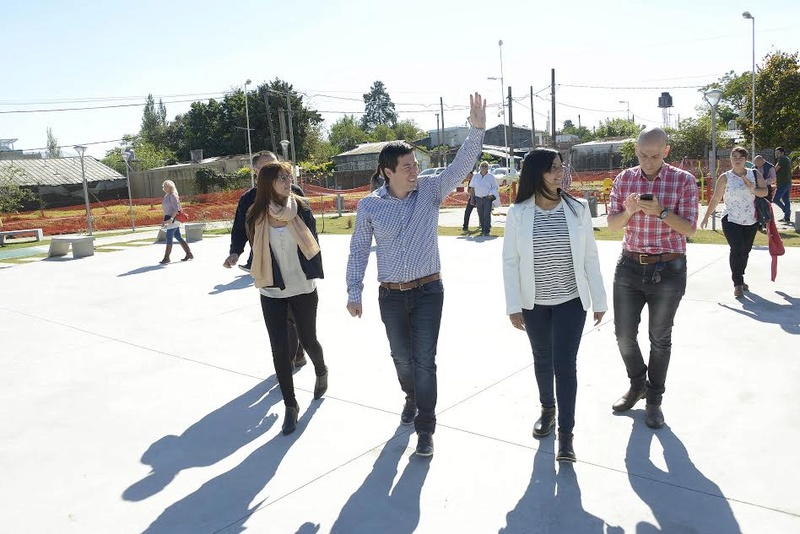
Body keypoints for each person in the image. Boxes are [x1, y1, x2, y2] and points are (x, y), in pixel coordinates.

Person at [346, 92, 487, 457]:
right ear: (388, 171)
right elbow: (359, 249)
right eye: (407, 166)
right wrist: (353, 291)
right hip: (390, 295)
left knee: (425, 358)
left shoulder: (430, 190)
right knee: (401, 358)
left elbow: (460, 165)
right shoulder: (370, 206)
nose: (414, 170)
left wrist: (477, 130)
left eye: (415, 164)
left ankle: (426, 425)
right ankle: (410, 395)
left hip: (428, 292)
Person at [502, 148, 607, 463]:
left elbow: (590, 256)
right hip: (533, 304)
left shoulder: (577, 210)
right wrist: (513, 305)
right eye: (553, 169)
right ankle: (547, 409)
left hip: (570, 303)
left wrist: (599, 299)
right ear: (537, 174)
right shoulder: (518, 213)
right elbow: (510, 261)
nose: (560, 173)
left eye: (561, 167)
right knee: (541, 359)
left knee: (565, 365)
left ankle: (566, 436)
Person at [607, 127, 698, 429]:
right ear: (636, 150)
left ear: (666, 152)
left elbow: (689, 229)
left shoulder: (684, 180)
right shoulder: (624, 179)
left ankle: (654, 400)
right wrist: (629, 212)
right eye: (643, 155)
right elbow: (611, 225)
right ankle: (637, 384)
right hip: (630, 266)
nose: (648, 161)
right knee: (623, 335)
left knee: (659, 338)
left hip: (668, 268)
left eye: (655, 155)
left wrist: (660, 212)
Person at [246, 161, 328, 435]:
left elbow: (313, 243)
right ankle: (290, 406)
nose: (286, 180)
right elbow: (256, 250)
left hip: (303, 287)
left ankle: (321, 368)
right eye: (280, 177)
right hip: (271, 290)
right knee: (279, 349)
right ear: (267, 182)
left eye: (288, 176)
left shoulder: (301, 208)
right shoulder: (255, 214)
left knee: (308, 340)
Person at [225, 152, 308, 368]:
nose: (275, 172)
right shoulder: (248, 199)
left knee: (294, 312)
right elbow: (239, 229)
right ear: (256, 173)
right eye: (266, 168)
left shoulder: (294, 194)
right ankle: (288, 357)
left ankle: (297, 352)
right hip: (266, 264)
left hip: (294, 263)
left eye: (276, 166)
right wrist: (235, 252)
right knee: (279, 315)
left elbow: (308, 228)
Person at [701, 147, 768, 297]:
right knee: (737, 249)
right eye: (734, 156)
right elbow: (716, 198)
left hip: (751, 220)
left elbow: (765, 192)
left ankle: (740, 276)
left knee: (745, 251)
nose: (737, 160)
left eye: (740, 157)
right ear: (730, 159)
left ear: (746, 160)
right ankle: (737, 283)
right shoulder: (725, 177)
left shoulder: (754, 174)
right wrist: (706, 216)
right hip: (731, 219)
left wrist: (753, 189)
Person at [159, 180, 194, 264]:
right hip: (169, 217)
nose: (164, 188)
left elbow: (176, 209)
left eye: (166, 186)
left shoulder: (173, 195)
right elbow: (166, 210)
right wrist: (164, 220)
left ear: (171, 187)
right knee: (177, 236)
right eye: (163, 186)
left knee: (169, 236)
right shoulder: (167, 196)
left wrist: (171, 218)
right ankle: (188, 253)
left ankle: (167, 257)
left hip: (174, 218)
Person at [470, 161, 500, 235]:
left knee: (487, 213)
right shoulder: (476, 176)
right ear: (480, 167)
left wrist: (491, 194)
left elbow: (495, 187)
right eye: (482, 166)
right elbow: (472, 187)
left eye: (485, 166)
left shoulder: (491, 177)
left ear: (488, 168)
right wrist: (472, 198)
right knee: (480, 213)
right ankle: (483, 227)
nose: (484, 167)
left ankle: (487, 229)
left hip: (487, 198)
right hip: (478, 198)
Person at [773, 147, 793, 224]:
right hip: (787, 182)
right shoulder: (786, 159)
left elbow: (775, 169)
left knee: (775, 199)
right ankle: (787, 217)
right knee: (786, 200)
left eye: (777, 153)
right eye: (775, 153)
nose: (776, 154)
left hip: (782, 183)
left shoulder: (782, 159)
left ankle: (786, 211)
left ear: (782, 153)